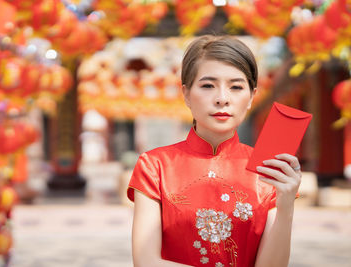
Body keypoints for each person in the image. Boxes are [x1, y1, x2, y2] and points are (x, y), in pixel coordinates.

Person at [127, 35, 301, 267]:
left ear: (251, 97)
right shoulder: (154, 165)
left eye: (236, 87)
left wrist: (286, 203)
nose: (222, 99)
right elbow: (146, 261)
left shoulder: (268, 169)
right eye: (208, 85)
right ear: (186, 94)